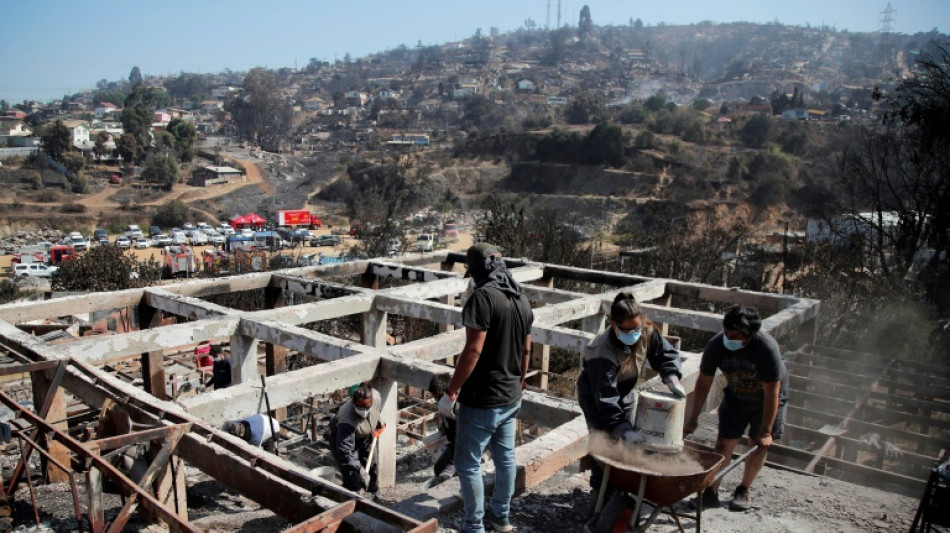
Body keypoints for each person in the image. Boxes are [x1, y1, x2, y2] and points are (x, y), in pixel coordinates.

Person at [441, 243, 534, 533]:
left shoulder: (483, 297)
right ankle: (501, 517)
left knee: (468, 464)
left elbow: (473, 351)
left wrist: (451, 391)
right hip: (511, 394)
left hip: (484, 398)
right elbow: (527, 347)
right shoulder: (520, 297)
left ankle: (474, 526)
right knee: (505, 457)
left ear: (477, 270)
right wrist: (521, 376)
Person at [684, 306, 789, 511]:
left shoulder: (767, 349)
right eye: (726, 333)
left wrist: (766, 431)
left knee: (757, 444)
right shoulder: (716, 346)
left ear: (750, 336)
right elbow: (703, 384)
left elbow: (772, 392)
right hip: (736, 397)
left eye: (735, 336)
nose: (729, 338)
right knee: (723, 445)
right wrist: (693, 418)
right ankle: (711, 492)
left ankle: (743, 490)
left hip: (766, 401)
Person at [577, 292, 684, 491]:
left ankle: (623, 485)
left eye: (637, 328)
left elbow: (665, 354)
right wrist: (621, 427)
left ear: (642, 321)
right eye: (627, 331)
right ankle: (601, 489)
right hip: (596, 397)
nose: (634, 334)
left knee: (627, 444)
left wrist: (671, 376)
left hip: (625, 390)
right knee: (605, 442)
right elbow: (606, 398)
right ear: (614, 325)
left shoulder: (646, 331)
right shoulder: (601, 351)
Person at [327, 382, 384, 494]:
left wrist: (379, 421)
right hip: (342, 438)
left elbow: (377, 411)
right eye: (360, 407)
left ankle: (372, 493)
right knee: (351, 475)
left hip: (365, 435)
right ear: (354, 403)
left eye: (367, 407)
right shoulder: (346, 417)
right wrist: (360, 470)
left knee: (372, 466)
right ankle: (354, 499)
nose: (364, 411)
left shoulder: (376, 396)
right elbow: (346, 452)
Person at [428, 374, 457, 479]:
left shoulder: (457, 407)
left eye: (440, 397)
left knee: (444, 471)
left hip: (465, 444)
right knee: (438, 468)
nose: (438, 401)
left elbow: (462, 438)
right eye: (436, 398)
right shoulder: (445, 405)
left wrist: (451, 464)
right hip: (453, 443)